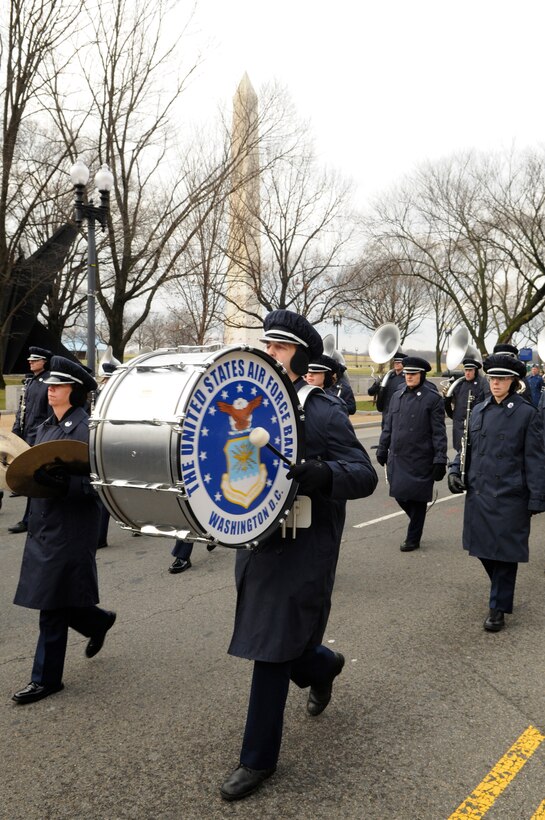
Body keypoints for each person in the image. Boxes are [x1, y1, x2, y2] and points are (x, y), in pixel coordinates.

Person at [220, 310, 378, 801]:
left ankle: (257, 759)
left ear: (302, 356)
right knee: (278, 641)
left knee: (269, 647)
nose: (270, 353)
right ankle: (323, 666)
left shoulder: (323, 410)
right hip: (260, 543)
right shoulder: (254, 406)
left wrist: (324, 474)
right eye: (268, 344)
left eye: (282, 347)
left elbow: (365, 474)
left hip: (304, 546)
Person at [12, 356, 116, 705]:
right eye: (50, 385)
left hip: (72, 527)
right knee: (56, 595)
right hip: (44, 523)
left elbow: (101, 484)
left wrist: (66, 484)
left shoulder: (87, 429)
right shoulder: (44, 427)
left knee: (51, 603)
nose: (50, 389)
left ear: (75, 391)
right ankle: (97, 622)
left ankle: (45, 679)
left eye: (57, 385)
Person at [448, 354, 545, 631]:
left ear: (513, 381)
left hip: (510, 495)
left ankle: (497, 608)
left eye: (501, 379)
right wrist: (455, 469)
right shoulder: (479, 410)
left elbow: (536, 458)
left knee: (504, 553)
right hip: (480, 492)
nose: (496, 384)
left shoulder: (527, 414)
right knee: (483, 550)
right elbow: (467, 446)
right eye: (492, 378)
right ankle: (500, 590)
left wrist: (538, 496)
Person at [376, 356, 448, 552]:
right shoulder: (397, 395)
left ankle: (413, 537)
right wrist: (383, 448)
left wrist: (440, 459)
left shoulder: (432, 399)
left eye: (413, 374)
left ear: (422, 375)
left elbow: (439, 432)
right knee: (400, 495)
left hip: (421, 458)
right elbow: (388, 427)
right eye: (407, 373)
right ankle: (416, 523)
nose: (409, 377)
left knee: (417, 499)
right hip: (398, 457)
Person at [9, 347, 53, 534]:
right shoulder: (32, 382)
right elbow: (23, 410)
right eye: (30, 360)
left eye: (35, 360)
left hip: (39, 437)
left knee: (35, 481)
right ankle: (33, 518)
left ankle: (29, 520)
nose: (31, 362)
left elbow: (50, 415)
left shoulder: (48, 382)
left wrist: (45, 438)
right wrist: (16, 431)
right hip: (27, 436)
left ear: (44, 361)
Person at [444, 356, 489, 451]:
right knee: (459, 452)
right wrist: (447, 396)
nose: (467, 373)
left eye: (470, 370)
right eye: (466, 370)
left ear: (475, 371)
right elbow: (455, 401)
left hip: (473, 425)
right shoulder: (460, 383)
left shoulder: (482, 383)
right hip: (459, 425)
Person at [367, 349, 406, 426]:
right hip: (386, 412)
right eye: (395, 362)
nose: (396, 364)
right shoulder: (387, 376)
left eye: (399, 362)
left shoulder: (406, 378)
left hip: (400, 413)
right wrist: (377, 384)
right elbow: (370, 392)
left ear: (404, 364)